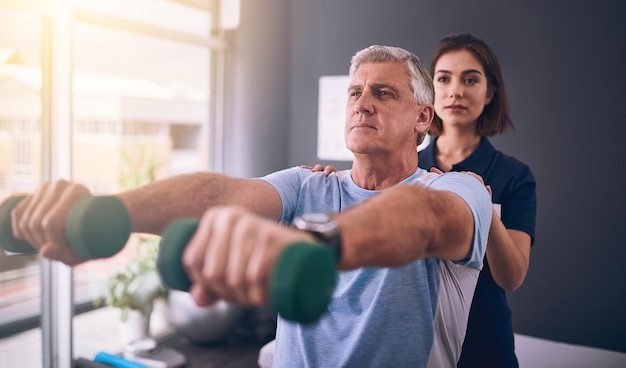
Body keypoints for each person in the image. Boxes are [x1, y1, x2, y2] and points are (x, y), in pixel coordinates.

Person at [10, 45, 492, 368]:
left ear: (423, 118)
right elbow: (219, 196)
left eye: (383, 93)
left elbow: (423, 221)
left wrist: (312, 244)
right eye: (354, 92)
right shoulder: (307, 185)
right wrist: (101, 213)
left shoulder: (459, 189)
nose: (362, 103)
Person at [420, 33, 537, 368]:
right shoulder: (405, 168)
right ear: (431, 90)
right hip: (416, 342)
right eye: (444, 79)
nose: (455, 90)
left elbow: (511, 277)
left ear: (490, 93)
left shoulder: (514, 176)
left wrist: (480, 204)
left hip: (485, 348)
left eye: (470, 79)